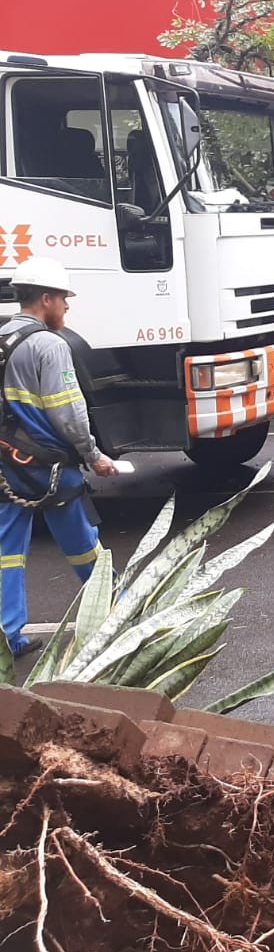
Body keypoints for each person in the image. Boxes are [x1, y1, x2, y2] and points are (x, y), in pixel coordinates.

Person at [0, 257, 118, 658]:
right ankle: (116, 610)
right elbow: (69, 412)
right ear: (46, 299)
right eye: (64, 298)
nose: (67, 306)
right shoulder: (49, 345)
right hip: (46, 465)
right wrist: (94, 455)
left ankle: (7, 636)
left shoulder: (1, 334)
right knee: (83, 543)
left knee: (7, 550)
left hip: (5, 464)